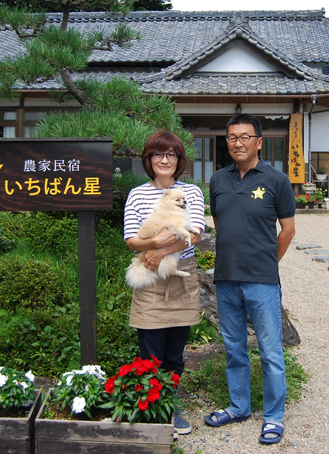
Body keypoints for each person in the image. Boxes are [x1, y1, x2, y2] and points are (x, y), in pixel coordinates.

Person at [205, 114, 296, 445]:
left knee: (270, 351)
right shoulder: (217, 180)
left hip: (262, 281)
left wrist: (267, 263)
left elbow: (288, 230)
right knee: (234, 348)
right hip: (226, 277)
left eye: (245, 136)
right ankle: (239, 406)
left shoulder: (277, 180)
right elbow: (220, 223)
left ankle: (273, 416)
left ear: (259, 142)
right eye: (232, 137)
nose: (238, 143)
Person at [123, 131, 206, 437]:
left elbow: (195, 234)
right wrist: (154, 244)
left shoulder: (191, 192)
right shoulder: (137, 195)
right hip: (149, 277)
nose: (164, 160)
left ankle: (170, 406)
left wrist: (160, 250)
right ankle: (150, 410)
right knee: (150, 352)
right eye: (158, 154)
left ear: (179, 160)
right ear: (149, 159)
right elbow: (131, 240)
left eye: (171, 154)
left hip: (180, 274)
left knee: (174, 353)